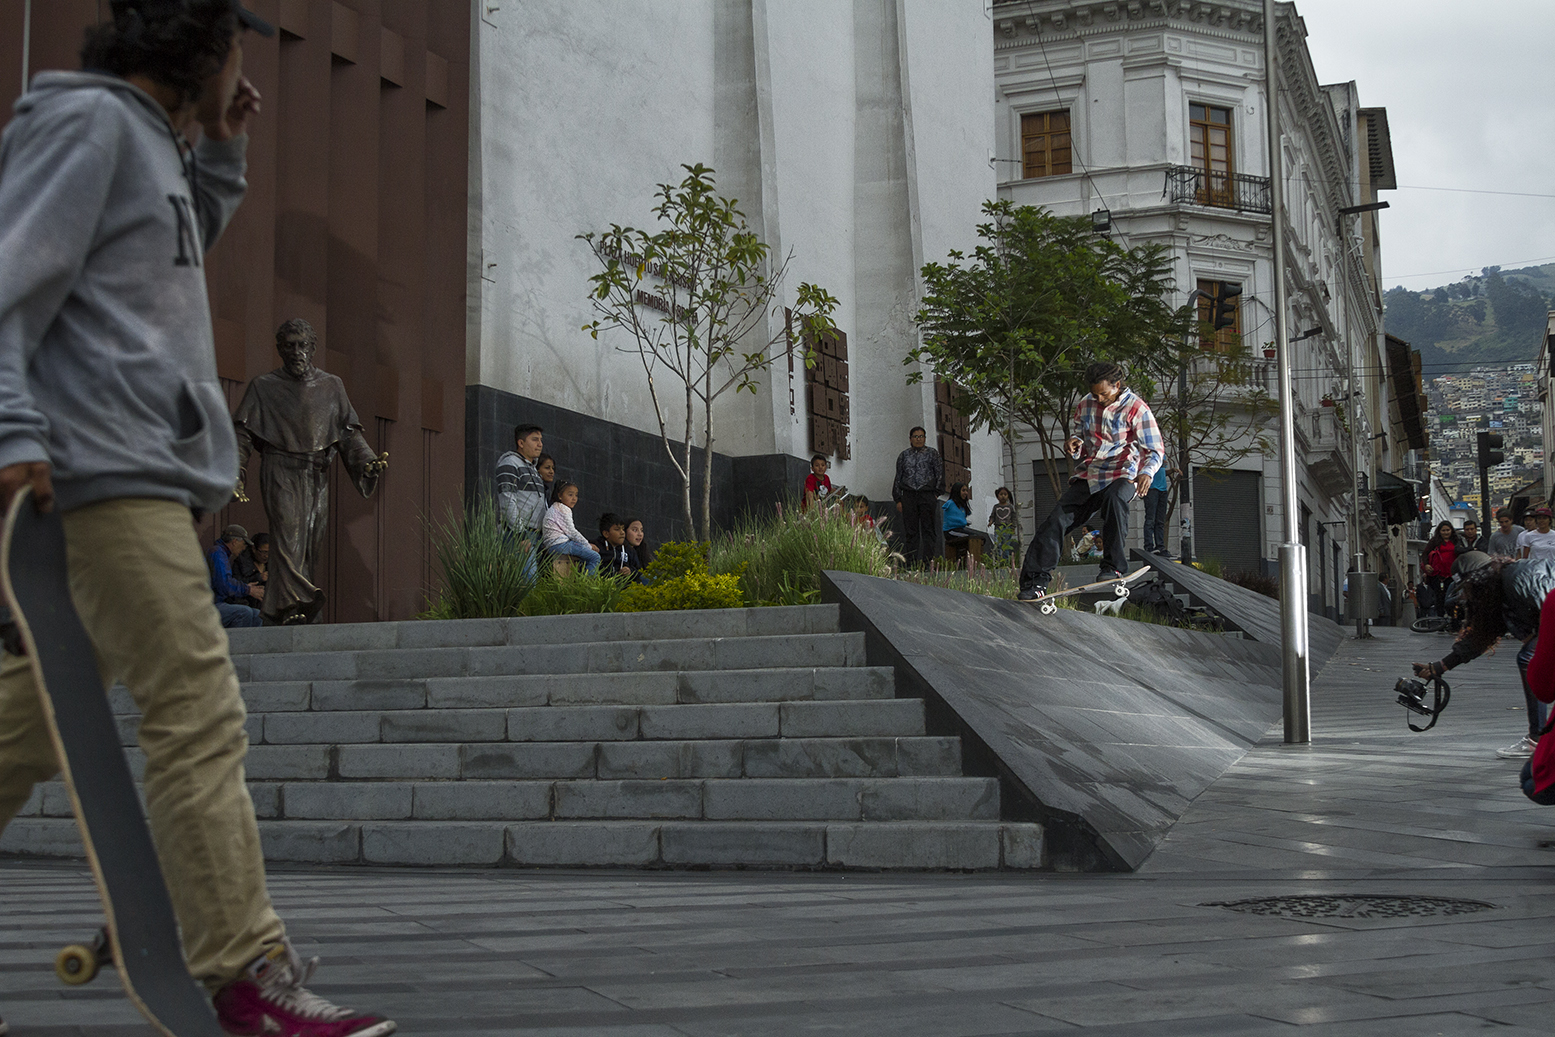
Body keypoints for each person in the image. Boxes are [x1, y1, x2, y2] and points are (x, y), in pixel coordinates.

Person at [0, 3, 394, 1034]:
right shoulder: (87, 126)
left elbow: (157, 264)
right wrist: (9, 433)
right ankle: (245, 970)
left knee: (32, 721)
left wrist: (221, 151)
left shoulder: (147, 147)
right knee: (197, 704)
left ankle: (239, 965)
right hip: (100, 468)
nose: (242, 70)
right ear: (194, 54)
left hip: (140, 473)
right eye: (234, 53)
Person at [233, 318, 387, 625]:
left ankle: (289, 612)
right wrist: (236, 472)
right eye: (289, 345)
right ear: (279, 349)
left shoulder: (331, 386)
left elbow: (349, 434)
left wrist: (366, 461)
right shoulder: (263, 387)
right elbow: (242, 435)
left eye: (303, 345)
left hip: (316, 474)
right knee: (288, 540)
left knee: (309, 550)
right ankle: (293, 608)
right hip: (280, 469)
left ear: (313, 348)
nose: (297, 352)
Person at [1018, 362, 1162, 600]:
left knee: (1115, 502)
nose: (1099, 399)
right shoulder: (1086, 404)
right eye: (1095, 394)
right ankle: (1035, 583)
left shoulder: (1137, 408)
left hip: (1123, 472)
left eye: (1104, 394)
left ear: (1117, 386)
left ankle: (1113, 567)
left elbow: (1155, 449)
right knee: (1056, 520)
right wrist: (1075, 443)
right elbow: (1080, 434)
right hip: (1091, 472)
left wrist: (1147, 472)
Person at [1413, 552, 1555, 761]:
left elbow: (1547, 608)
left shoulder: (1515, 578)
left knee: (1528, 658)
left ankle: (1537, 739)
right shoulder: (1501, 588)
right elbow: (1481, 637)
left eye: (1469, 588)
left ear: (1478, 579)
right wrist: (1440, 666)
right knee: (1530, 656)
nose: (1468, 595)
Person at [891, 426, 943, 566]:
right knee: (911, 530)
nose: (918, 439)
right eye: (915, 436)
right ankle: (911, 562)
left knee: (928, 530)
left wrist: (936, 493)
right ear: (910, 439)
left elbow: (939, 474)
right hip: (908, 495)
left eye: (921, 436)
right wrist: (898, 498)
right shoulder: (904, 455)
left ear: (925, 438)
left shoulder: (932, 454)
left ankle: (928, 563)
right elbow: (898, 477)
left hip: (927, 495)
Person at [496, 424, 547, 538]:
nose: (540, 444)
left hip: (536, 535)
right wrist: (520, 533)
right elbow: (507, 500)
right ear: (521, 443)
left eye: (540, 440)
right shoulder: (510, 463)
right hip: (517, 535)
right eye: (535, 440)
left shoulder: (533, 468)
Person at [207, 524, 262, 628]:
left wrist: (246, 588)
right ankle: (238, 644)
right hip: (209, 606)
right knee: (244, 613)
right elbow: (223, 585)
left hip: (217, 604)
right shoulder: (218, 553)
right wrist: (247, 589)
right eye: (244, 544)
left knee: (257, 615)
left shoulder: (222, 553)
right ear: (235, 542)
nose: (244, 548)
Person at [541, 484, 599, 573]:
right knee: (595, 557)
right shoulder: (564, 509)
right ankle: (587, 584)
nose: (574, 498)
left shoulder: (554, 507)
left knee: (583, 557)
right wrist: (588, 545)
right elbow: (572, 532)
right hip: (561, 545)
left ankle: (578, 578)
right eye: (570, 495)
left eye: (576, 495)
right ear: (560, 495)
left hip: (551, 545)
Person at [1420, 521, 1461, 618]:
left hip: (1453, 575)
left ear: (1451, 531)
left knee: (1453, 598)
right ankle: (1440, 620)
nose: (1446, 533)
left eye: (1448, 530)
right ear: (1439, 531)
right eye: (1443, 530)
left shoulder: (1457, 541)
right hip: (1438, 575)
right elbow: (1425, 553)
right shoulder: (1434, 541)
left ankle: (1453, 619)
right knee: (1439, 598)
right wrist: (1426, 565)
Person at [941, 482, 988, 564]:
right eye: (963, 490)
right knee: (973, 538)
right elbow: (945, 508)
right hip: (950, 531)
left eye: (966, 490)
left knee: (981, 538)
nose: (966, 493)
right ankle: (969, 563)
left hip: (960, 530)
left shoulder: (963, 505)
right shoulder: (950, 503)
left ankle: (970, 560)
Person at [1142, 465, 1174, 556]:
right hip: (1152, 489)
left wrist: (1170, 471)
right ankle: (1149, 546)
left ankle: (1160, 546)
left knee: (1160, 520)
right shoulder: (1151, 452)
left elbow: (1161, 472)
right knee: (1150, 519)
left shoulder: (1162, 454)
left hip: (1162, 489)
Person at [234, 531, 269, 609]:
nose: (266, 556)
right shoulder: (242, 562)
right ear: (254, 549)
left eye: (269, 553)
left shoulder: (271, 564)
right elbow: (236, 583)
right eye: (263, 552)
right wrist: (258, 577)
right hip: (247, 603)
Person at [988, 487, 1020, 566]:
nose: (1003, 496)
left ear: (1008, 496)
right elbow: (992, 516)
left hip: (1007, 528)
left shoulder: (1010, 507)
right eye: (1001, 494)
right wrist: (991, 522)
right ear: (997, 496)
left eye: (1005, 494)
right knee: (998, 544)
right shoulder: (996, 507)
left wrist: (1013, 527)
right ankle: (998, 560)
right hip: (998, 528)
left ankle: (1005, 561)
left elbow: (1014, 518)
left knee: (1006, 545)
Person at [594, 513, 632, 578]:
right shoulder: (597, 547)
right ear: (606, 533)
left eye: (623, 529)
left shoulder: (628, 549)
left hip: (623, 586)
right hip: (600, 585)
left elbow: (637, 569)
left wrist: (630, 570)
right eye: (617, 529)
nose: (622, 532)